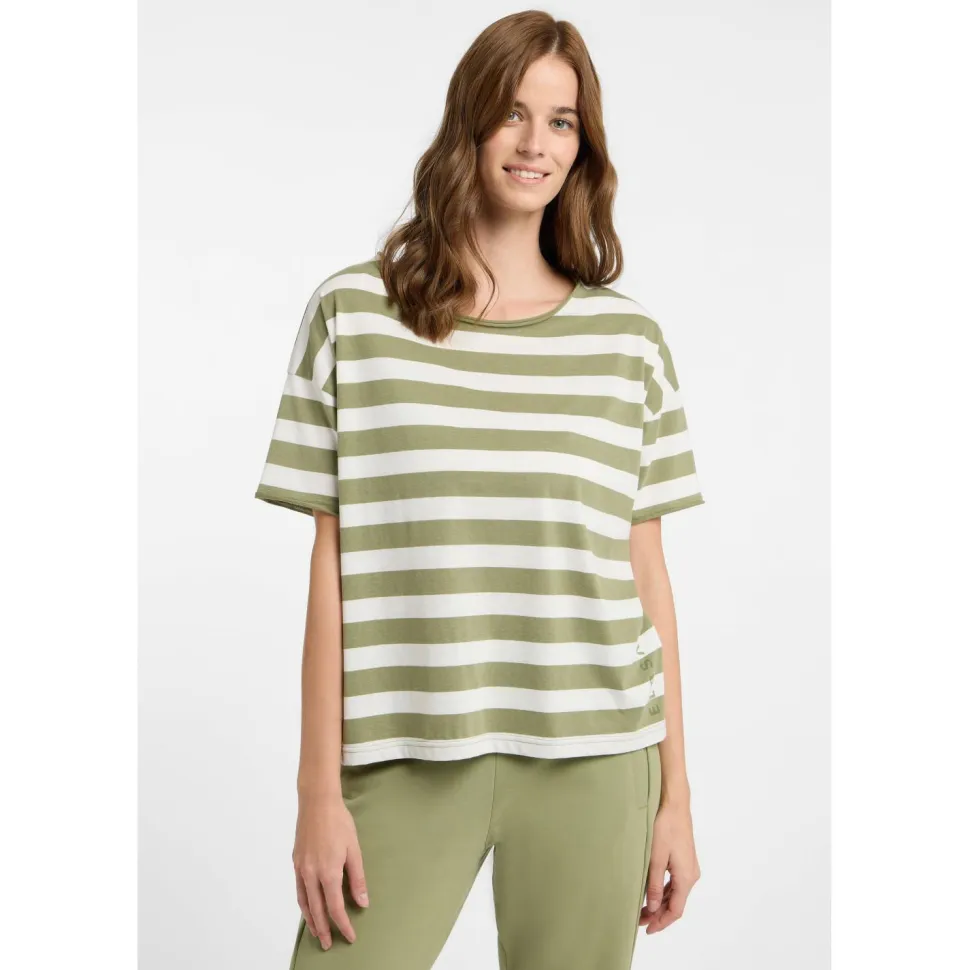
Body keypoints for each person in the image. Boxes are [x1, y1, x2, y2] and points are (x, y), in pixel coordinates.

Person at [254, 11, 705, 969]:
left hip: (596, 758)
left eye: (562, 121)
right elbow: (331, 571)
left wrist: (677, 799)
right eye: (512, 113)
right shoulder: (355, 316)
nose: (535, 142)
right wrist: (317, 794)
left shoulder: (628, 344)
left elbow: (647, 580)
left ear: (583, 146)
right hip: (404, 752)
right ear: (469, 121)